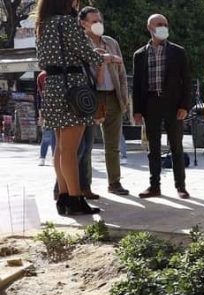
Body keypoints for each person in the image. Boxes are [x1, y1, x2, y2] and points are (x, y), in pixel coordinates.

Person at [36, 0, 104, 215]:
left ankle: (64, 197)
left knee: (61, 148)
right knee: (71, 150)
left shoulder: (43, 24)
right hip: (72, 87)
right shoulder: (67, 22)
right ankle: (75, 198)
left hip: (53, 86)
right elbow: (85, 52)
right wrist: (103, 57)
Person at [133, 14, 192, 199]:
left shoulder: (178, 52)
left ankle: (180, 186)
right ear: (149, 27)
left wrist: (185, 106)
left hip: (174, 105)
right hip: (151, 104)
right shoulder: (140, 54)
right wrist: (137, 110)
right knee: (154, 148)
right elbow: (137, 84)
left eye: (165, 24)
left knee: (176, 146)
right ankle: (154, 186)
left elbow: (187, 81)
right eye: (159, 24)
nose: (163, 27)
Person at [79, 6, 129, 196]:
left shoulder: (111, 43)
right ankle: (86, 185)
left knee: (113, 144)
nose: (98, 24)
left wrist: (123, 98)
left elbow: (122, 73)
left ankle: (114, 182)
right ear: (83, 24)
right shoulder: (81, 43)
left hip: (113, 96)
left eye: (100, 21)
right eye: (93, 21)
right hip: (92, 97)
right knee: (88, 144)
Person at [36, 70, 55, 166]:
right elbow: (39, 97)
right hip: (50, 110)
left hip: (48, 109)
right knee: (49, 135)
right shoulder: (43, 75)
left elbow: (39, 97)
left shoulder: (41, 75)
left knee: (49, 136)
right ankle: (49, 157)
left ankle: (46, 157)